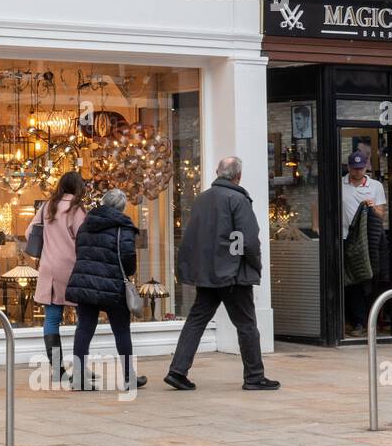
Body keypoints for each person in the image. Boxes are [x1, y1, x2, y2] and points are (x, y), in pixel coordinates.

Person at [165, 157, 279, 391]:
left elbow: (194, 237)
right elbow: (245, 240)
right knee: (246, 325)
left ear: (218, 172)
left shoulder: (202, 199)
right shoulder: (238, 199)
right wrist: (254, 265)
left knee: (196, 321)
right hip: (233, 274)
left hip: (208, 273)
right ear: (238, 175)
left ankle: (177, 370)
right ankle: (254, 376)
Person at [65, 188, 146, 391]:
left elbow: (80, 251)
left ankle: (79, 376)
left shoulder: (86, 224)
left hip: (85, 282)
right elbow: (128, 260)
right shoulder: (123, 227)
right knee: (121, 331)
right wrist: (128, 272)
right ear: (122, 206)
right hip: (113, 285)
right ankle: (129, 377)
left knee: (84, 328)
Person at [26, 171, 87, 383]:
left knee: (52, 319)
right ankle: (80, 369)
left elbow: (29, 233)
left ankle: (57, 370)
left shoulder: (47, 206)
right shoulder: (75, 209)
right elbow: (84, 238)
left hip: (48, 268)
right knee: (84, 318)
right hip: (71, 268)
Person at [341, 150, 387, 338]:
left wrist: (371, 206)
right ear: (349, 167)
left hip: (368, 240)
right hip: (346, 238)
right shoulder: (340, 185)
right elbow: (318, 205)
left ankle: (371, 321)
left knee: (369, 279)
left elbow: (381, 214)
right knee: (351, 280)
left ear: (366, 167)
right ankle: (357, 321)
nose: (357, 172)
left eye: (360, 168)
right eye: (354, 168)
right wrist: (317, 227)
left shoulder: (375, 186)